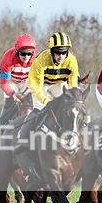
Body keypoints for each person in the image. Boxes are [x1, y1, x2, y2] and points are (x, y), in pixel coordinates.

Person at [13, 32, 79, 170]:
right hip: (41, 85)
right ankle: (22, 138)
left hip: (59, 83)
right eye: (58, 52)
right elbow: (36, 88)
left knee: (70, 109)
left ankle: (72, 138)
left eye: (64, 52)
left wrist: (72, 100)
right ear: (52, 51)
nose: (61, 56)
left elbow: (72, 85)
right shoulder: (41, 61)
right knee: (39, 110)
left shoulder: (71, 60)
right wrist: (46, 100)